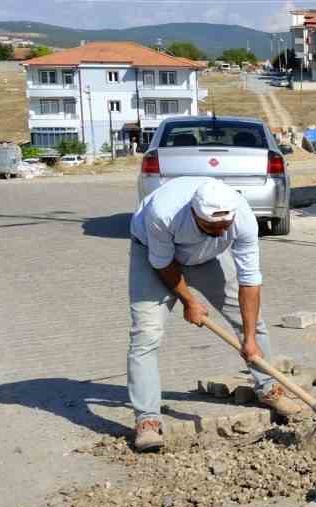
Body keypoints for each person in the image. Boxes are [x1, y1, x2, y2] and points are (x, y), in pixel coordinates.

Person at [127, 177, 297, 452]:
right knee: (145, 336)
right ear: (194, 214)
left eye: (224, 227)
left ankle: (268, 388)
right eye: (211, 227)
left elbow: (250, 280)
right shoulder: (164, 212)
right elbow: (163, 263)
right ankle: (147, 420)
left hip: (208, 259)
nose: (219, 232)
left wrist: (249, 338)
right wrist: (189, 301)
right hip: (154, 256)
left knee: (251, 321)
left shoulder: (242, 218)